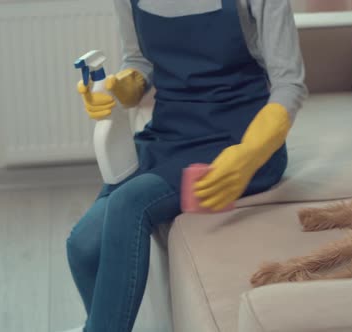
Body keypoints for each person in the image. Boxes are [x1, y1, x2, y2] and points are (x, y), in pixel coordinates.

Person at [64, 0, 307, 331]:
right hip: (169, 133)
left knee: (128, 202)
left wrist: (250, 153)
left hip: (239, 141)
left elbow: (289, 84)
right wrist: (119, 88)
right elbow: (139, 61)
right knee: (83, 244)